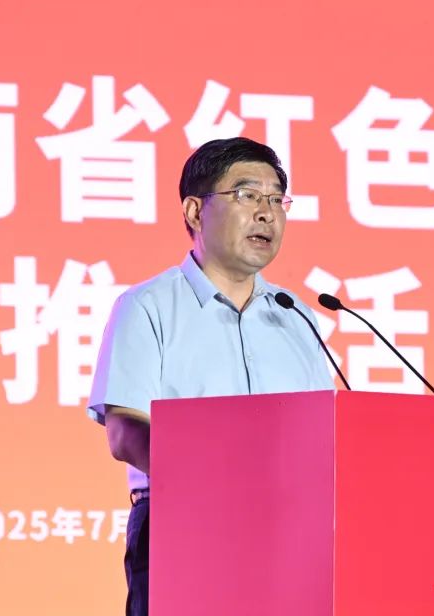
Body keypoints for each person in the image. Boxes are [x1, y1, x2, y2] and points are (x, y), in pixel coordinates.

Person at [86, 137, 335, 616]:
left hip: (291, 533)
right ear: (195, 211)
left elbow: (321, 437)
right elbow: (124, 432)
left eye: (276, 199)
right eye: (247, 195)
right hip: (185, 524)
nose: (266, 213)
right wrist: (223, 483)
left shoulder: (295, 315)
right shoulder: (149, 306)